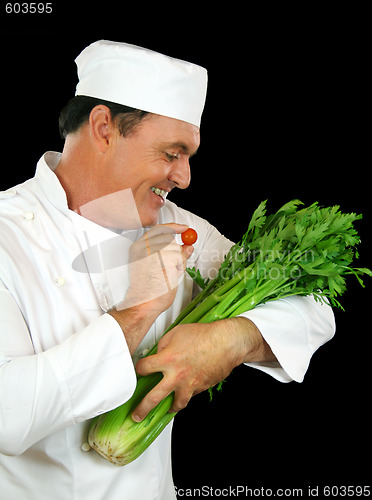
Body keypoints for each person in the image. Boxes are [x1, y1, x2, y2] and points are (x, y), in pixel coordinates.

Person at [0, 40, 335, 499]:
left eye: (188, 157)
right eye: (171, 153)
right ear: (103, 128)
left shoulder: (180, 229)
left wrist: (231, 339)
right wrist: (137, 314)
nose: (184, 177)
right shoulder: (7, 235)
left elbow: (311, 300)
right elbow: (8, 416)